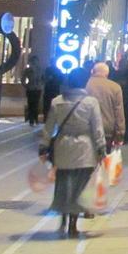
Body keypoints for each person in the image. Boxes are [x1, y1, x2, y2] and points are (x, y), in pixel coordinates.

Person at [40, 68, 106, 238]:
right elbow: (97, 128)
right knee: (79, 186)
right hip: (84, 147)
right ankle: (73, 224)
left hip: (63, 146)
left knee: (63, 183)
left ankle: (62, 219)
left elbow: (49, 127)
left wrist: (44, 146)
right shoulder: (91, 102)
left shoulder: (57, 101)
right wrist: (101, 148)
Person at [86, 62, 125, 153]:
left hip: (86, 127)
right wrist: (120, 134)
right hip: (107, 129)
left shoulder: (86, 84)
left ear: (93, 71)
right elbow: (119, 112)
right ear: (107, 73)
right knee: (103, 158)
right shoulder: (115, 87)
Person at [22, 55, 43, 126]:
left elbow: (43, 78)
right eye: (33, 62)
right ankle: (31, 119)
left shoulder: (40, 70)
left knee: (36, 104)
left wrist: (41, 84)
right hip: (31, 88)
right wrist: (26, 85)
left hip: (37, 88)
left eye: (36, 62)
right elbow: (23, 79)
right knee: (31, 104)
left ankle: (35, 119)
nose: (35, 63)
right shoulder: (28, 70)